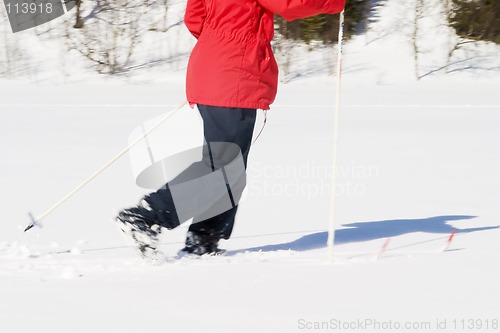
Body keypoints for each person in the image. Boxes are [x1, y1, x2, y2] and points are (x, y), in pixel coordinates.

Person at [116, 0, 346, 258]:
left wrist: (218, 44)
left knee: (229, 168)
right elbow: (291, 4)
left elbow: (194, 17)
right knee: (223, 167)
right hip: (234, 74)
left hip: (215, 66)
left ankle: (204, 240)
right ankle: (146, 216)